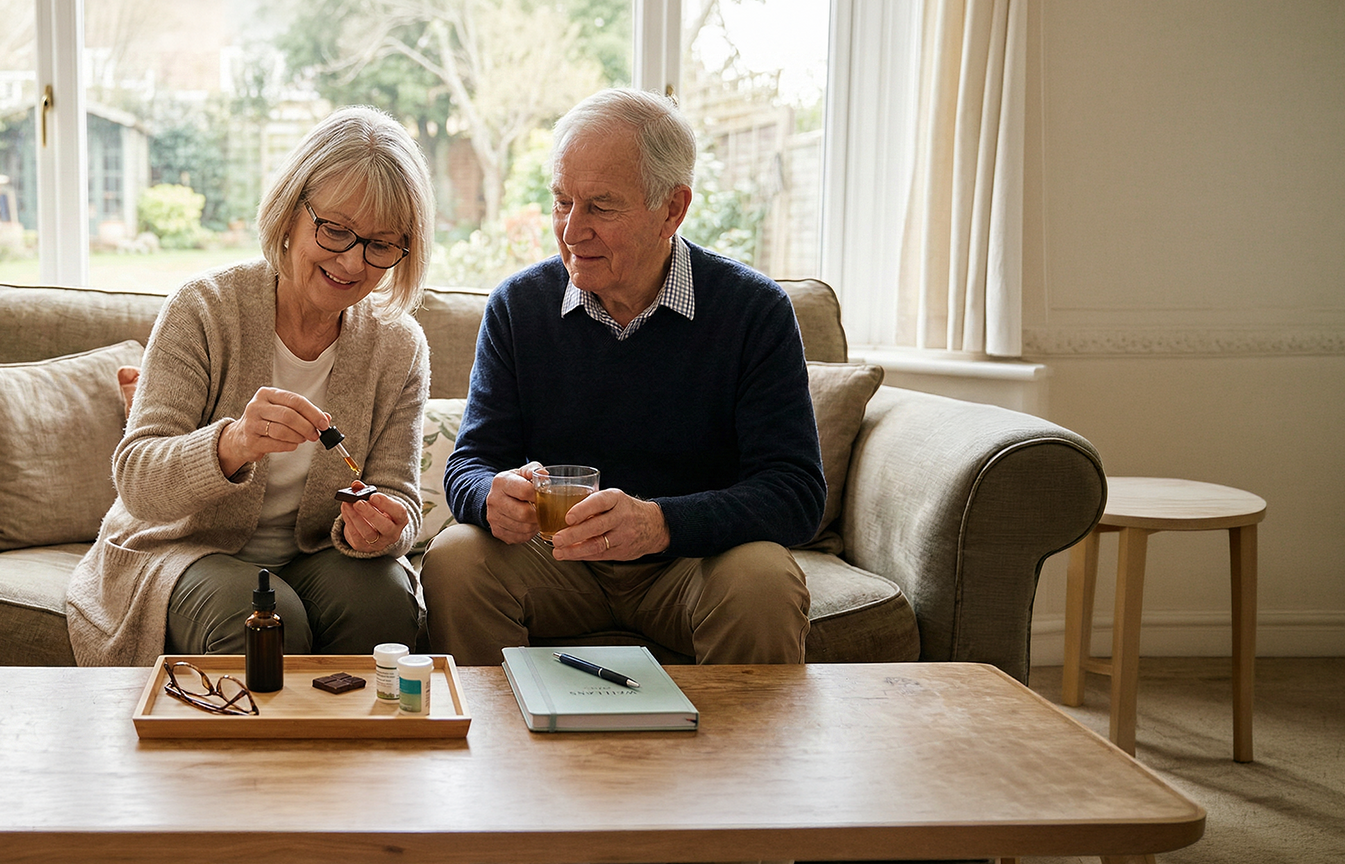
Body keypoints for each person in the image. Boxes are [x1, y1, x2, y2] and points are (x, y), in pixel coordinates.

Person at [422, 86, 826, 670]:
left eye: (601, 207)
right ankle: (494, 755)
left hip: (691, 564)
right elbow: (469, 465)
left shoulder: (752, 311)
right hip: (555, 561)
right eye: (563, 201)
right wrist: (491, 497)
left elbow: (795, 492)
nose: (571, 230)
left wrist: (660, 524)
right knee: (457, 558)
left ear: (672, 209)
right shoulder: (519, 306)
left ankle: (743, 764)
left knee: (763, 578)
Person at [65, 106, 434, 673]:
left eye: (381, 245)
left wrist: (384, 527)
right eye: (334, 230)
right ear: (290, 214)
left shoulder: (398, 347)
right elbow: (137, 478)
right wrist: (232, 444)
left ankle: (362, 762)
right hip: (181, 549)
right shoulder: (205, 309)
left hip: (318, 554)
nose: (352, 261)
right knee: (262, 614)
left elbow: (399, 496)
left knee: (382, 598)